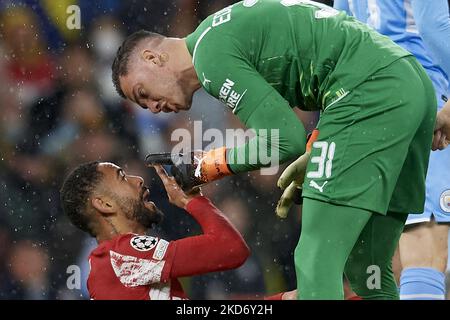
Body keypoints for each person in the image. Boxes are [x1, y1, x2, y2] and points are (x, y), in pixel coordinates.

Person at [111, 0, 442, 299]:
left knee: (315, 257)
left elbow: (283, 139)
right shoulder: (220, 29)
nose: (151, 107)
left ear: (153, 58)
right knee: (367, 266)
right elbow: (326, 59)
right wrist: (318, 149)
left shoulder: (210, 56)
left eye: (143, 93)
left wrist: (204, 167)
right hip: (410, 87)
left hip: (368, 94)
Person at [334, 0, 450, 300]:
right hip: (427, 93)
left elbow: (341, 33)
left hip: (371, 105)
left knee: (393, 254)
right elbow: (434, 25)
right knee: (426, 245)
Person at [59, 162, 249, 299]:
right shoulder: (123, 255)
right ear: (104, 204)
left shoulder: (120, 263)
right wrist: (193, 201)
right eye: (122, 177)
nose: (138, 179)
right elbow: (230, 248)